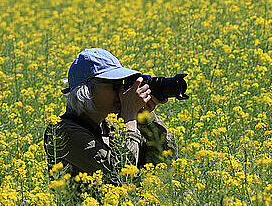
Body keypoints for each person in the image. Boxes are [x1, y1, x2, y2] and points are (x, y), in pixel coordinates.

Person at [44, 48, 178, 188]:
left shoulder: (114, 124)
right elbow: (121, 174)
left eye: (123, 83)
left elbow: (166, 161)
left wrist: (146, 118)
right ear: (87, 90)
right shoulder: (61, 131)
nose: (122, 91)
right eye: (115, 85)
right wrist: (129, 116)